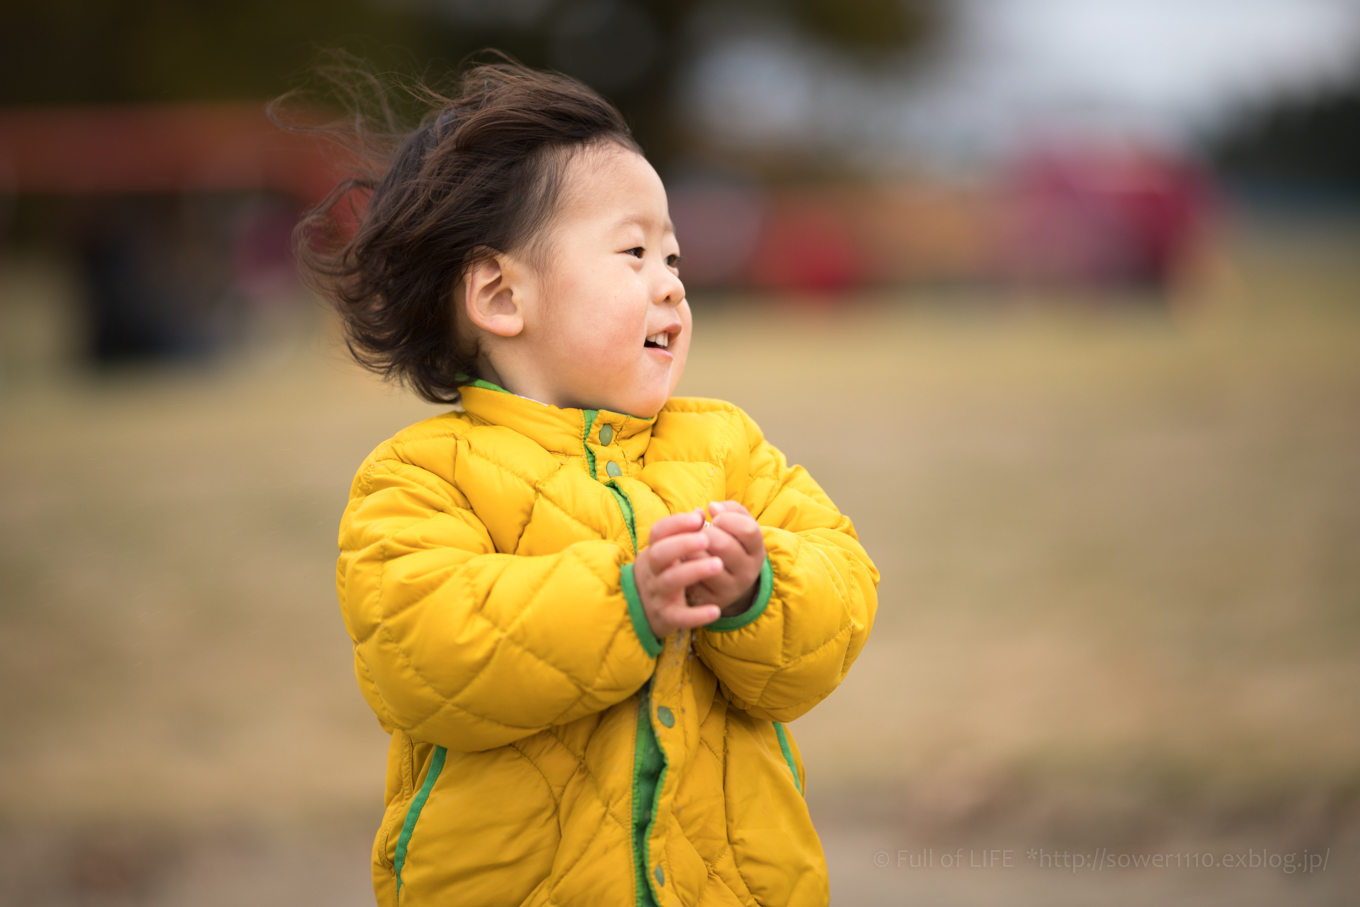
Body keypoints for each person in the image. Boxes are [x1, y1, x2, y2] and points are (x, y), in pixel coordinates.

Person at [300, 59, 879, 907]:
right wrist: (625, 601)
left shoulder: (723, 445)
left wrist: (758, 588)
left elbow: (837, 598)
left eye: (674, 255)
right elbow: (424, 656)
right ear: (502, 294)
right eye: (635, 252)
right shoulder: (421, 477)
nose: (672, 281)